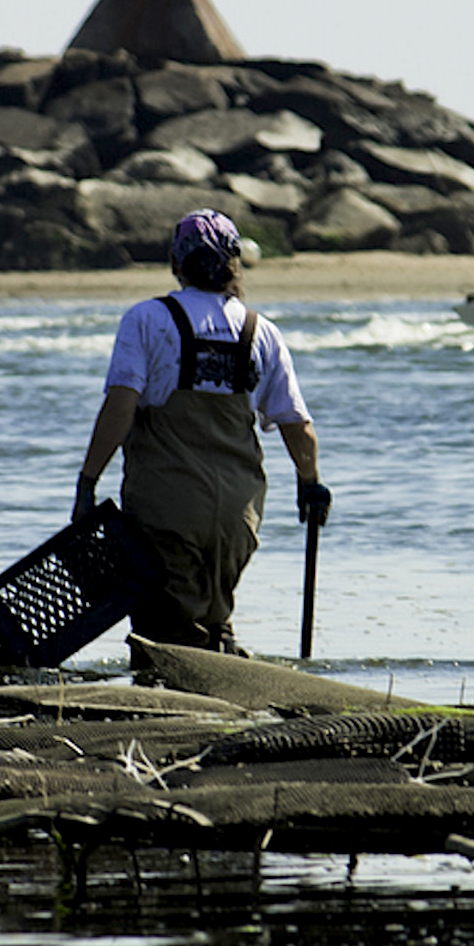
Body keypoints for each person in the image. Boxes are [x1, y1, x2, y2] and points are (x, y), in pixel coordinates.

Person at [72, 209, 329, 660]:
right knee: (212, 618)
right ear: (235, 265)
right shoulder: (260, 332)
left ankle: (167, 721)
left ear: (176, 263)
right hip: (239, 515)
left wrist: (88, 482)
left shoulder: (148, 320)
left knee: (162, 639)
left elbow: (119, 407)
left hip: (166, 510)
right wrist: (311, 486)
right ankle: (221, 704)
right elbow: (297, 426)